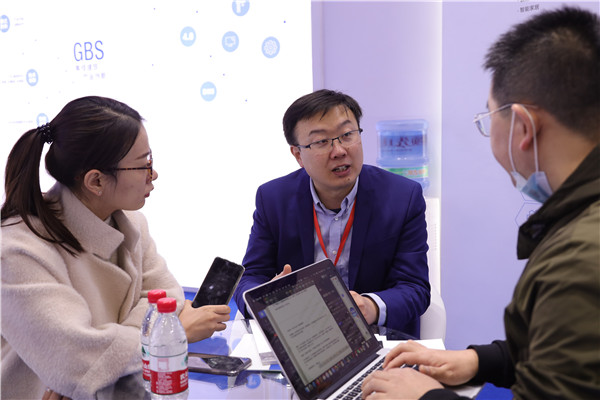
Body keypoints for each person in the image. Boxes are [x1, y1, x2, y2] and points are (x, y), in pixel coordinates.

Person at [361, 6, 600, 399]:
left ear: (522, 126)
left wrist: (425, 396)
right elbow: (563, 351)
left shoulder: (580, 259)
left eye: (490, 118)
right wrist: (478, 361)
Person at [1, 96, 231, 399]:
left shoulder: (131, 223)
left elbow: (167, 296)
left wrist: (103, 358)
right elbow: (76, 361)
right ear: (96, 181)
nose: (153, 174)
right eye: (143, 164)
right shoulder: (16, 250)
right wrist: (173, 334)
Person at [233, 89, 430, 336]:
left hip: (376, 338)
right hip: (303, 338)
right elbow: (250, 278)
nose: (339, 151)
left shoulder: (403, 197)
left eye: (347, 135)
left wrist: (369, 307)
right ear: (298, 154)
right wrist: (264, 300)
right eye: (321, 142)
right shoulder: (273, 198)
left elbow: (415, 288)